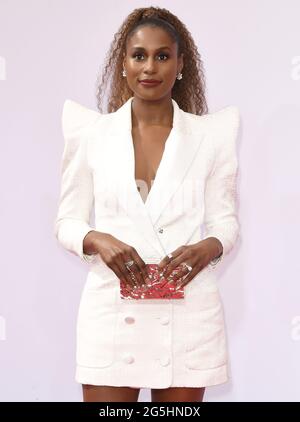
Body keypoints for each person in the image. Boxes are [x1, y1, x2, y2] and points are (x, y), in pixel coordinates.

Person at [54, 6, 240, 402]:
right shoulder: (91, 133)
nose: (150, 67)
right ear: (123, 63)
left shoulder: (212, 136)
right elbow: (67, 221)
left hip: (188, 311)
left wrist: (210, 247)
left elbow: (226, 222)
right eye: (139, 55)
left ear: (180, 63)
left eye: (162, 55)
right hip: (112, 311)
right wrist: (97, 238)